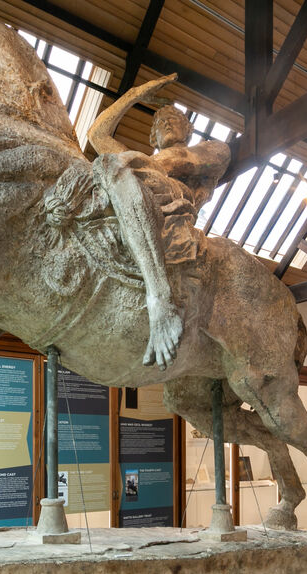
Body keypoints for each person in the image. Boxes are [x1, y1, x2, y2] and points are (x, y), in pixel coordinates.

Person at [84, 73, 230, 369]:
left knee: (113, 167)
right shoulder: (141, 162)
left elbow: (176, 162)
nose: (165, 122)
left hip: (173, 204)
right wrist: (134, 94)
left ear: (189, 129)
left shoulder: (212, 150)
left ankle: (160, 299)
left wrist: (129, 159)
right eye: (159, 122)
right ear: (152, 138)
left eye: (173, 118)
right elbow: (96, 136)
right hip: (135, 201)